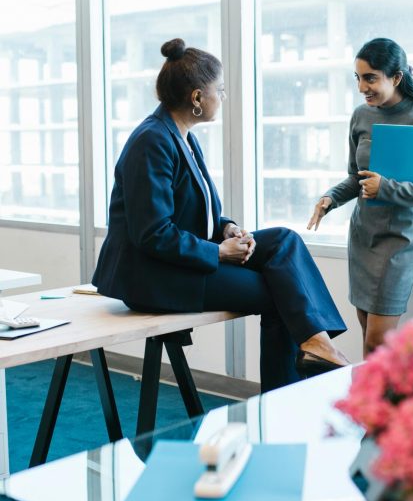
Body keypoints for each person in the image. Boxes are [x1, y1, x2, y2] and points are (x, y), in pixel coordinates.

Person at [93, 38, 348, 392]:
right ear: (197, 98)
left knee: (284, 240)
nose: (223, 98)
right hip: (151, 276)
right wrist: (217, 252)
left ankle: (317, 343)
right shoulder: (151, 142)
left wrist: (226, 228)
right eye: (220, 90)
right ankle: (286, 395)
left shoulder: (182, 135)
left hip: (177, 263)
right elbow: (152, 233)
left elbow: (196, 210)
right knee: (280, 293)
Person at [308, 38, 413, 355]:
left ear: (397, 77)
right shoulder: (362, 116)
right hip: (363, 238)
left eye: (370, 77)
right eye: (358, 78)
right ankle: (369, 402)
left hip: (400, 242)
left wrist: (386, 188)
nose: (362, 87)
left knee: (379, 343)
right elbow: (356, 177)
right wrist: (330, 199)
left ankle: (381, 403)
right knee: (367, 339)